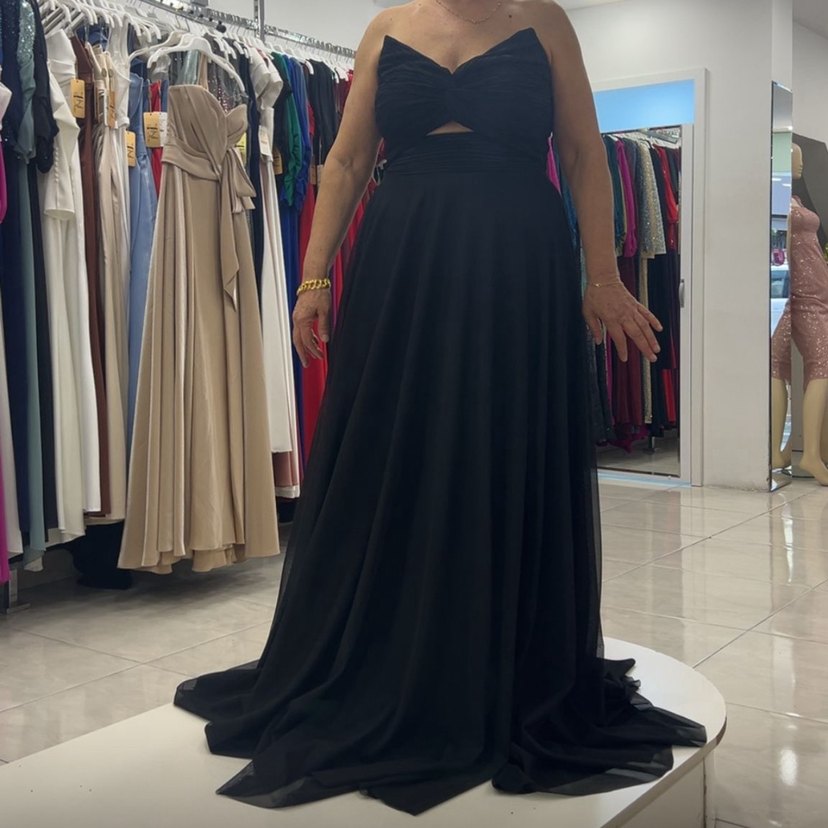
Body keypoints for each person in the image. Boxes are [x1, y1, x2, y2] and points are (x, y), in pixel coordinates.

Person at [174, 0, 706, 815]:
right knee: (397, 450)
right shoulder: (388, 27)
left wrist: (602, 275)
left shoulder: (544, 22)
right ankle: (387, 653)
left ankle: (499, 658)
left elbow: (582, 154)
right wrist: (313, 277)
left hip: (515, 256)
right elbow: (347, 162)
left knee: (499, 449)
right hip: (403, 256)